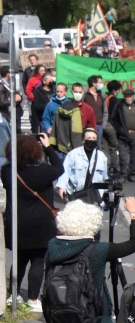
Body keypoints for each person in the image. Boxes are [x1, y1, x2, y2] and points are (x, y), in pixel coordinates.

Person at [1, 133, 63, 310]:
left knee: (19, 259)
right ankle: (33, 299)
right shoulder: (44, 172)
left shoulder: (7, 172)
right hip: (42, 223)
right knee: (38, 260)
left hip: (17, 221)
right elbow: (59, 167)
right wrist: (48, 147)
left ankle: (13, 295)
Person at [47, 82, 97, 155]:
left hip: (81, 143)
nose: (78, 94)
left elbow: (92, 127)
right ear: (72, 92)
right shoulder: (64, 107)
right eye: (76, 92)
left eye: (80, 92)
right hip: (65, 142)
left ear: (83, 92)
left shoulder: (88, 109)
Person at [57, 128, 108, 200]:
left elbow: (105, 177)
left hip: (95, 195)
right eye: (89, 138)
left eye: (94, 138)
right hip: (76, 193)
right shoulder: (73, 154)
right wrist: (62, 187)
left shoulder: (102, 156)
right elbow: (65, 172)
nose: (91, 140)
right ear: (83, 140)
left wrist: (106, 193)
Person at [110, 89, 135, 182]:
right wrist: (120, 130)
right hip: (123, 135)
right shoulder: (119, 106)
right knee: (123, 156)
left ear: (133, 97)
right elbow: (113, 119)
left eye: (130, 96)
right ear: (124, 97)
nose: (129, 98)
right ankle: (123, 175)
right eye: (127, 96)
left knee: (134, 156)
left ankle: (131, 174)